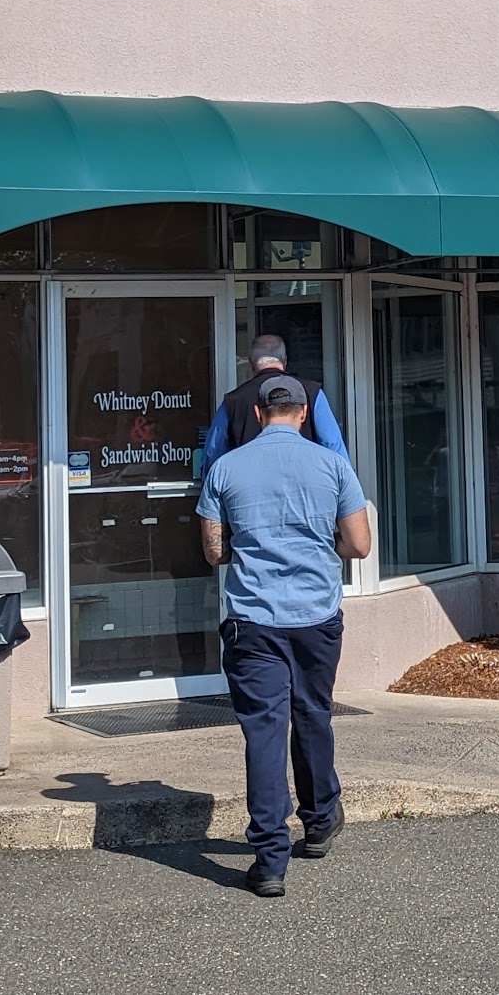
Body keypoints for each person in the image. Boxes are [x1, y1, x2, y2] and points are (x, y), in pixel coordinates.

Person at [198, 375, 371, 897]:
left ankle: (270, 858)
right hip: (316, 616)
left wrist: (251, 548)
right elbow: (360, 545)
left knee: (265, 731)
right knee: (313, 713)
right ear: (302, 414)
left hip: (253, 620)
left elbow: (213, 550)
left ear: (256, 415)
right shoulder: (333, 465)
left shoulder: (226, 468)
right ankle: (319, 822)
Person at [195, 334, 348, 480]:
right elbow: (333, 445)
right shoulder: (312, 394)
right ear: (285, 361)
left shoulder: (232, 402)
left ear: (251, 365)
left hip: (249, 494)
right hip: (306, 493)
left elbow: (213, 455)